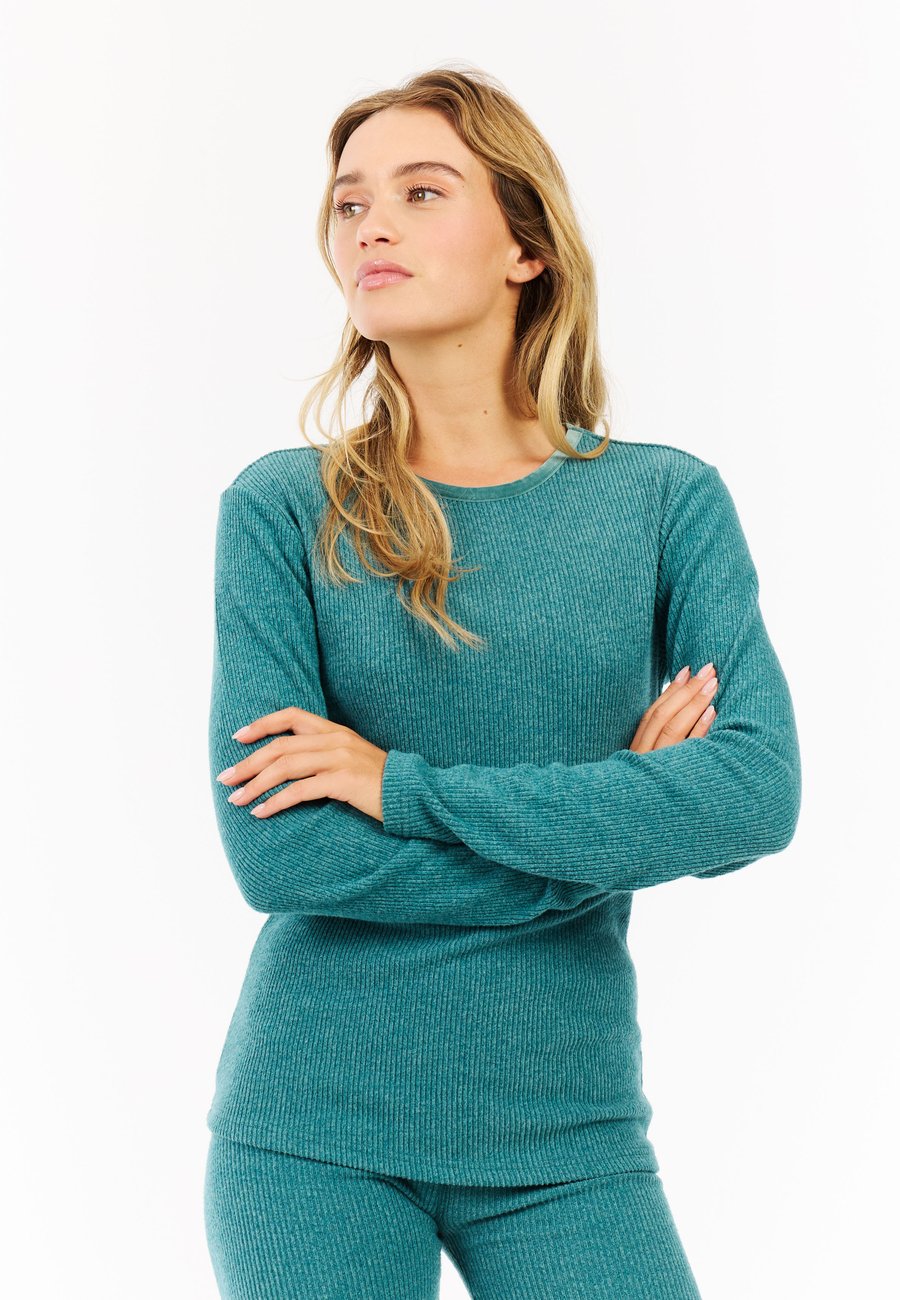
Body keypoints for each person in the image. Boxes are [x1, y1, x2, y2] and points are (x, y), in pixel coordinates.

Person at [202, 65, 801, 1300]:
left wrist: (395, 786)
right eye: (350, 201)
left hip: (571, 1139)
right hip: (312, 1129)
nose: (371, 224)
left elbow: (752, 794)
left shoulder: (663, 501)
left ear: (527, 246)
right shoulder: (282, 508)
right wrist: (616, 822)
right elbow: (284, 857)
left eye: (421, 192)